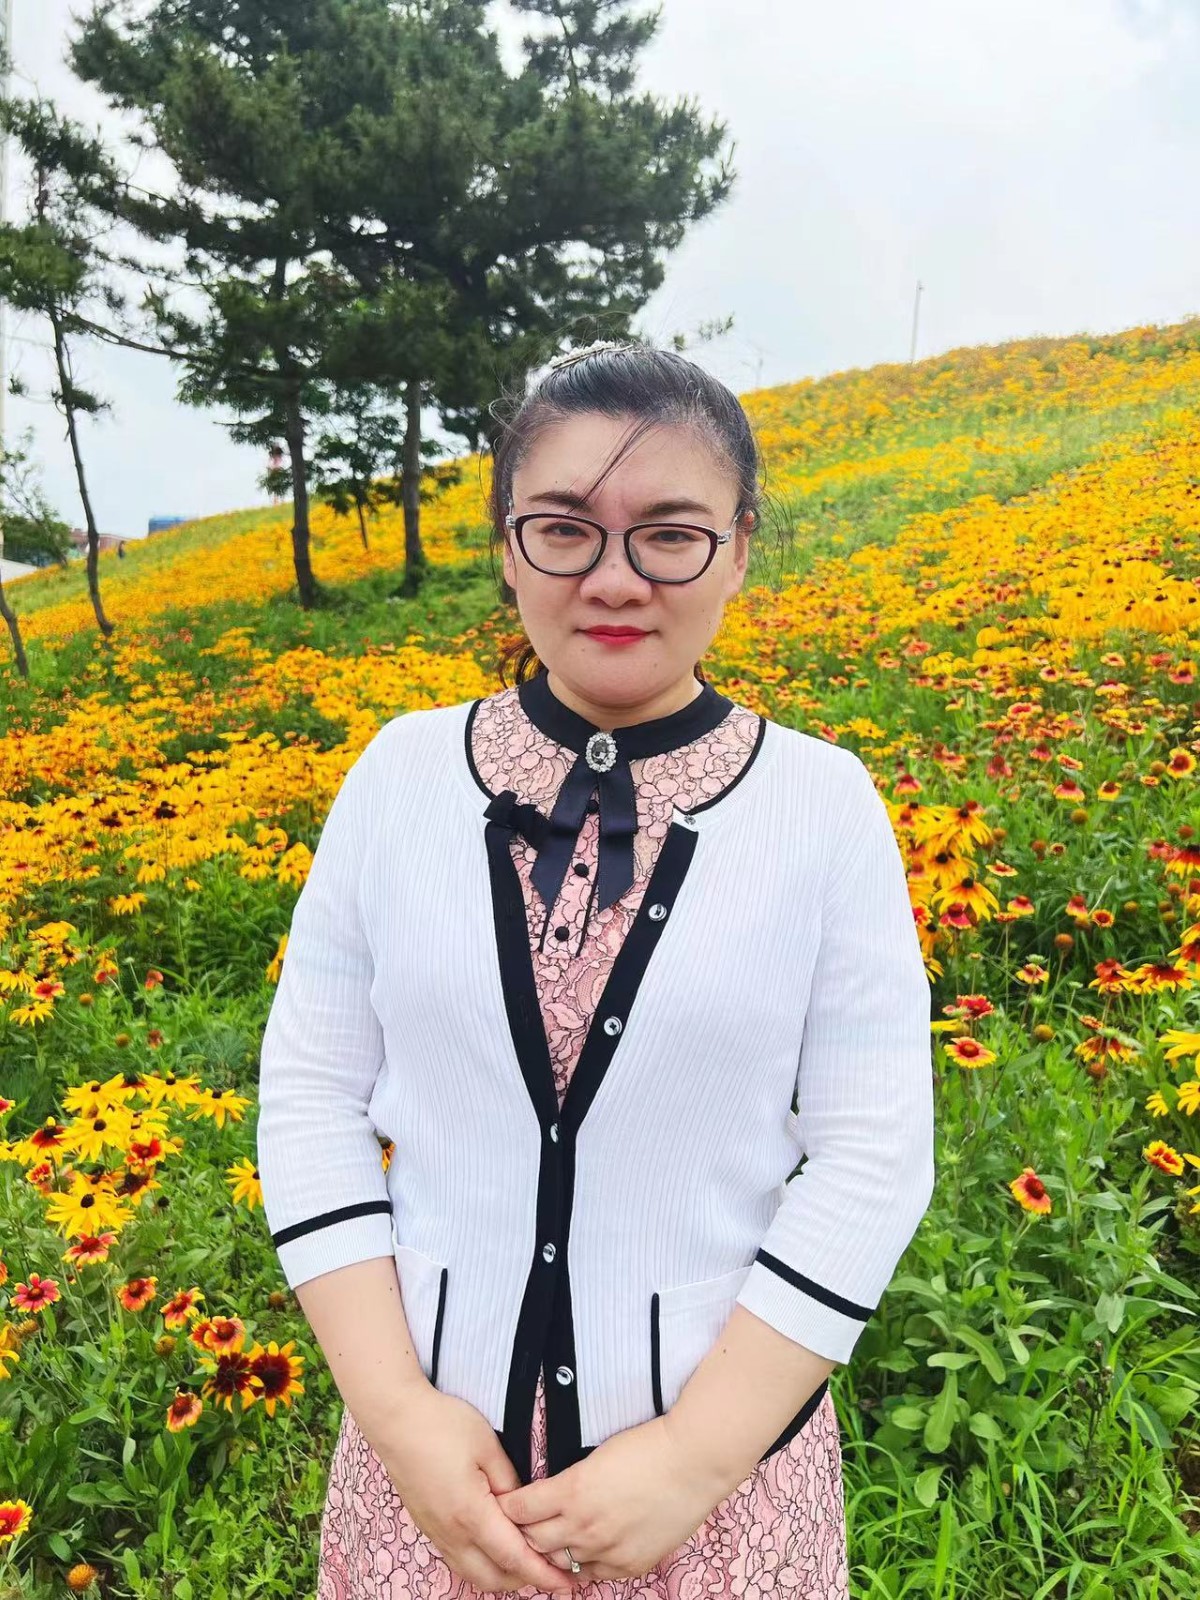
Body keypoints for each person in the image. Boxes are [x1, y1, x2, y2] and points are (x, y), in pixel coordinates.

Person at [255, 340, 936, 1599]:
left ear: (738, 547)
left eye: (670, 533)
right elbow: (309, 1095)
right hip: (434, 1487)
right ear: (508, 545)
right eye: (565, 528)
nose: (615, 578)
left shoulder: (823, 807)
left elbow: (874, 1151)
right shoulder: (398, 779)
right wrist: (399, 1415)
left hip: (723, 1500)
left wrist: (695, 1455)